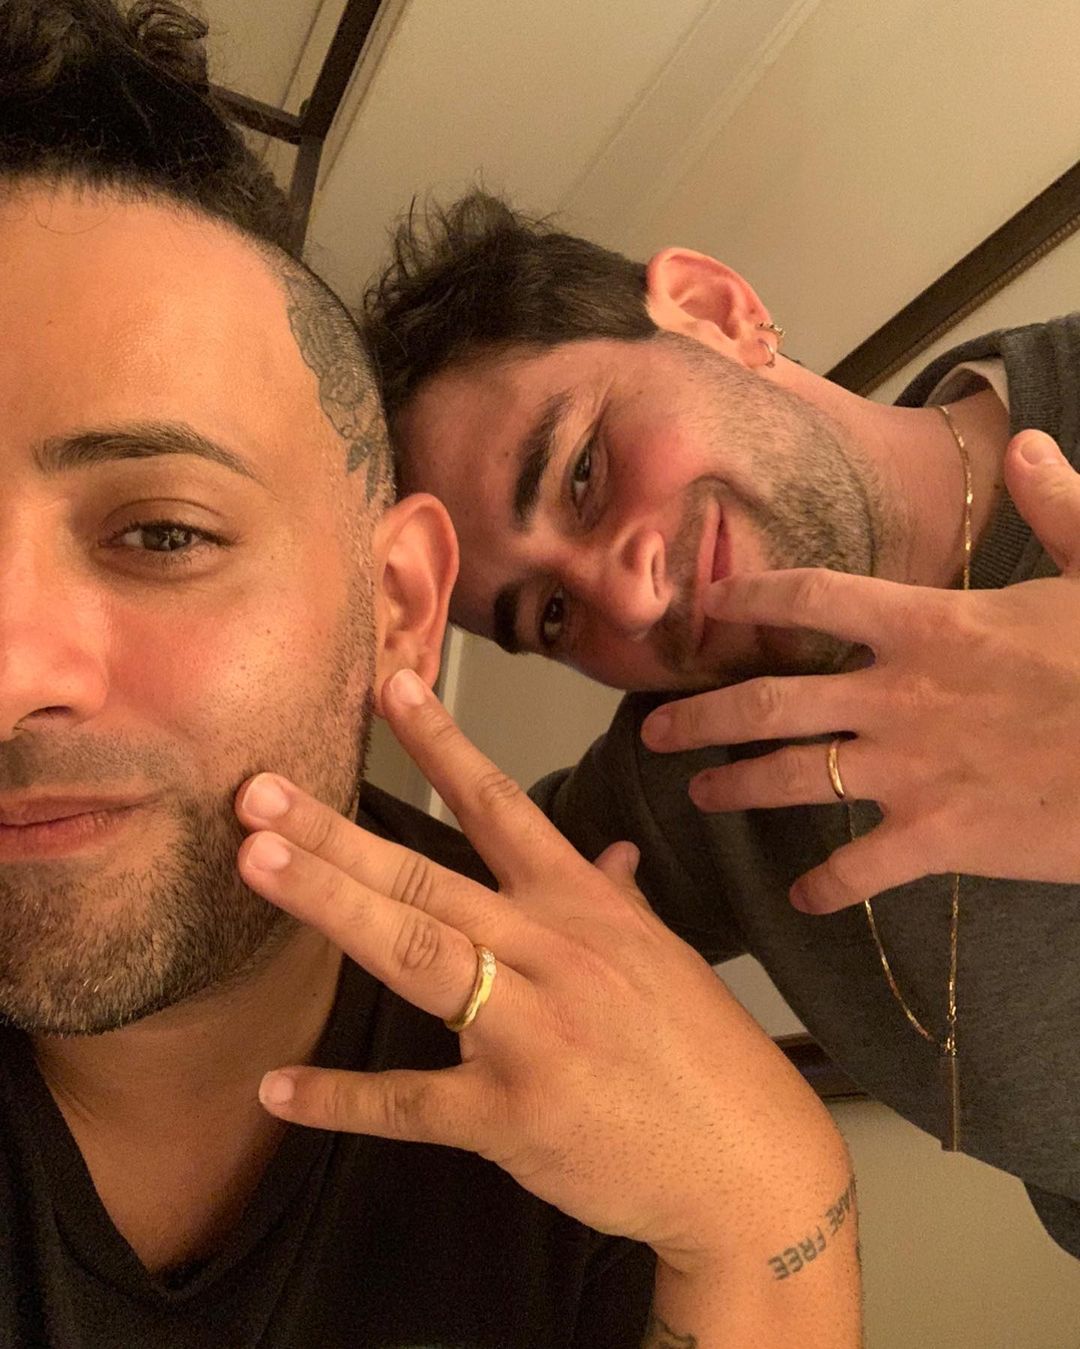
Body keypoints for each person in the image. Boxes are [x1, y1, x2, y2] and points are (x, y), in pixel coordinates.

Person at [0, 4, 863, 1347]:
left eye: (160, 533)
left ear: (400, 606)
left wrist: (772, 1214)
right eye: (549, 609)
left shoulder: (605, 1133)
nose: (9, 675)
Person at [363, 191, 1080, 1257]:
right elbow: (400, 921)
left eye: (583, 472)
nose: (631, 599)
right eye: (551, 616)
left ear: (715, 310)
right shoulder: (701, 776)